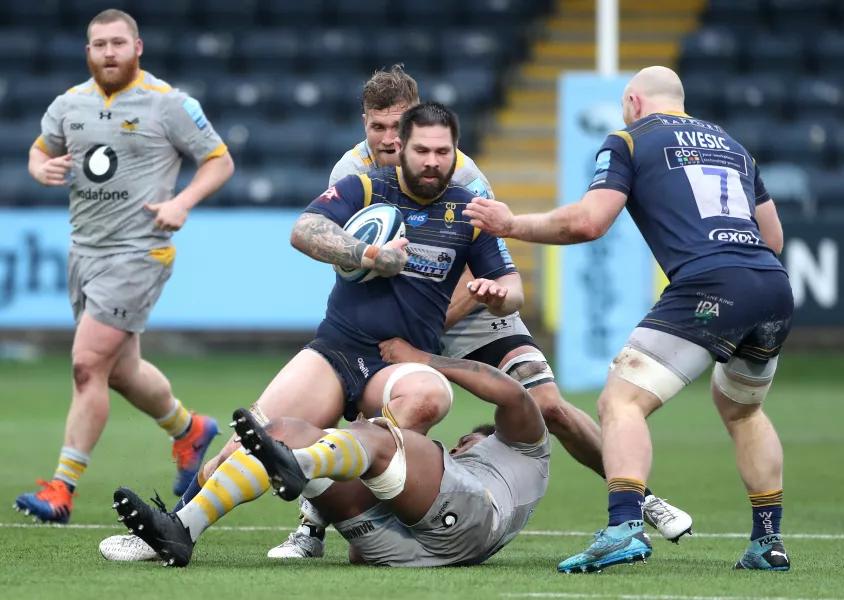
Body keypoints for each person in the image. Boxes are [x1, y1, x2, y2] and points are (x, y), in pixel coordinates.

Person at [267, 64, 691, 561]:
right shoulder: (349, 174)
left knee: (547, 406)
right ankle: (314, 527)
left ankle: (639, 497)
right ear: (365, 124)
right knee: (379, 409)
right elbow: (346, 258)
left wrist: (425, 342)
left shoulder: (460, 174)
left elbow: (482, 265)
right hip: (401, 308)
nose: (387, 138)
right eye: (376, 126)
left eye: (397, 125)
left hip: (469, 302)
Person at [99, 101, 524, 560]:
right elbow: (303, 229)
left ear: (455, 151)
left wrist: (499, 293)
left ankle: (345, 519)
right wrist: (369, 254)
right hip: (338, 349)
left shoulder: (470, 211)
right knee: (252, 438)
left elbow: (513, 285)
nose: (432, 161)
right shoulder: (365, 186)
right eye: (422, 150)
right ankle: (177, 529)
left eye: (443, 152)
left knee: (430, 395)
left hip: (400, 358)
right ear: (403, 147)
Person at [464, 66, 792, 573]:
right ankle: (768, 543)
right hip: (771, 285)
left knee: (620, 401)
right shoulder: (733, 146)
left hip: (710, 284)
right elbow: (773, 238)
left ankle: (624, 528)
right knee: (743, 410)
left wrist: (511, 224)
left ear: (633, 101)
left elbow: (588, 221)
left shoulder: (630, 139)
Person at [14, 9, 234, 524]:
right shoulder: (69, 104)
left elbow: (220, 160)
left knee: (87, 364)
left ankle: (61, 488)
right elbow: (38, 149)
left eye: (117, 43)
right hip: (83, 252)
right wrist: (39, 167)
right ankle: (189, 429)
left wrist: (182, 202)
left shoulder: (169, 104)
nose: (108, 53)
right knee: (120, 371)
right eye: (98, 45)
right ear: (87, 52)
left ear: (138, 47)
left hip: (139, 253)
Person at [111, 337, 551, 568]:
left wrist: (423, 359)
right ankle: (182, 530)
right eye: (460, 446)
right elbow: (359, 553)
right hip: (398, 551)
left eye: (467, 444)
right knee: (281, 431)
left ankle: (297, 467)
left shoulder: (525, 450)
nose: (457, 448)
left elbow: (512, 395)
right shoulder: (442, 475)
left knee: (378, 435)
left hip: (475, 523)